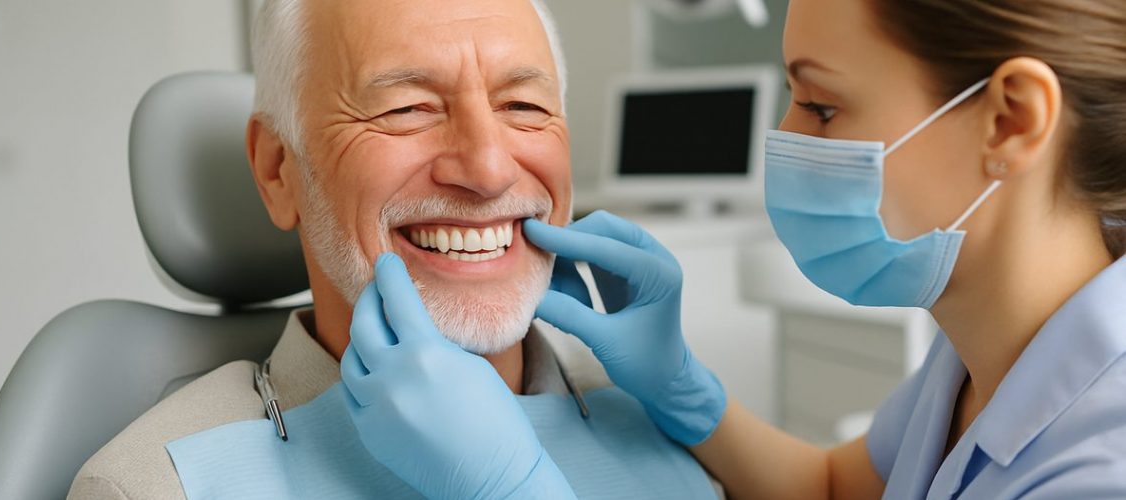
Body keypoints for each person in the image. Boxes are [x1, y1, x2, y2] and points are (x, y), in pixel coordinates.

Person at [346, 0, 1126, 498]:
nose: (780, 138)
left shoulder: (1103, 466)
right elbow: (832, 490)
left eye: (822, 106)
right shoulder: (981, 356)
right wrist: (683, 387)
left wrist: (510, 488)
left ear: (1011, 121)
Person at [66, 0, 725, 498]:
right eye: (406, 108)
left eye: (523, 104)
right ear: (277, 170)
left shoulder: (672, 427)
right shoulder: (155, 487)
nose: (489, 168)